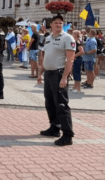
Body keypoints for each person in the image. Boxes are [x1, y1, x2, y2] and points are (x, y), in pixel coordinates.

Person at [37, 14, 75, 146]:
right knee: (50, 103)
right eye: (56, 23)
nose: (58, 25)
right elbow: (46, 56)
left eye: (60, 23)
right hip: (48, 74)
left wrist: (65, 77)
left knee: (62, 105)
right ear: (51, 25)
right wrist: (40, 73)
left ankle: (67, 135)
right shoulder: (48, 38)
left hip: (59, 74)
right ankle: (54, 127)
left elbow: (70, 59)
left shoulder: (67, 38)